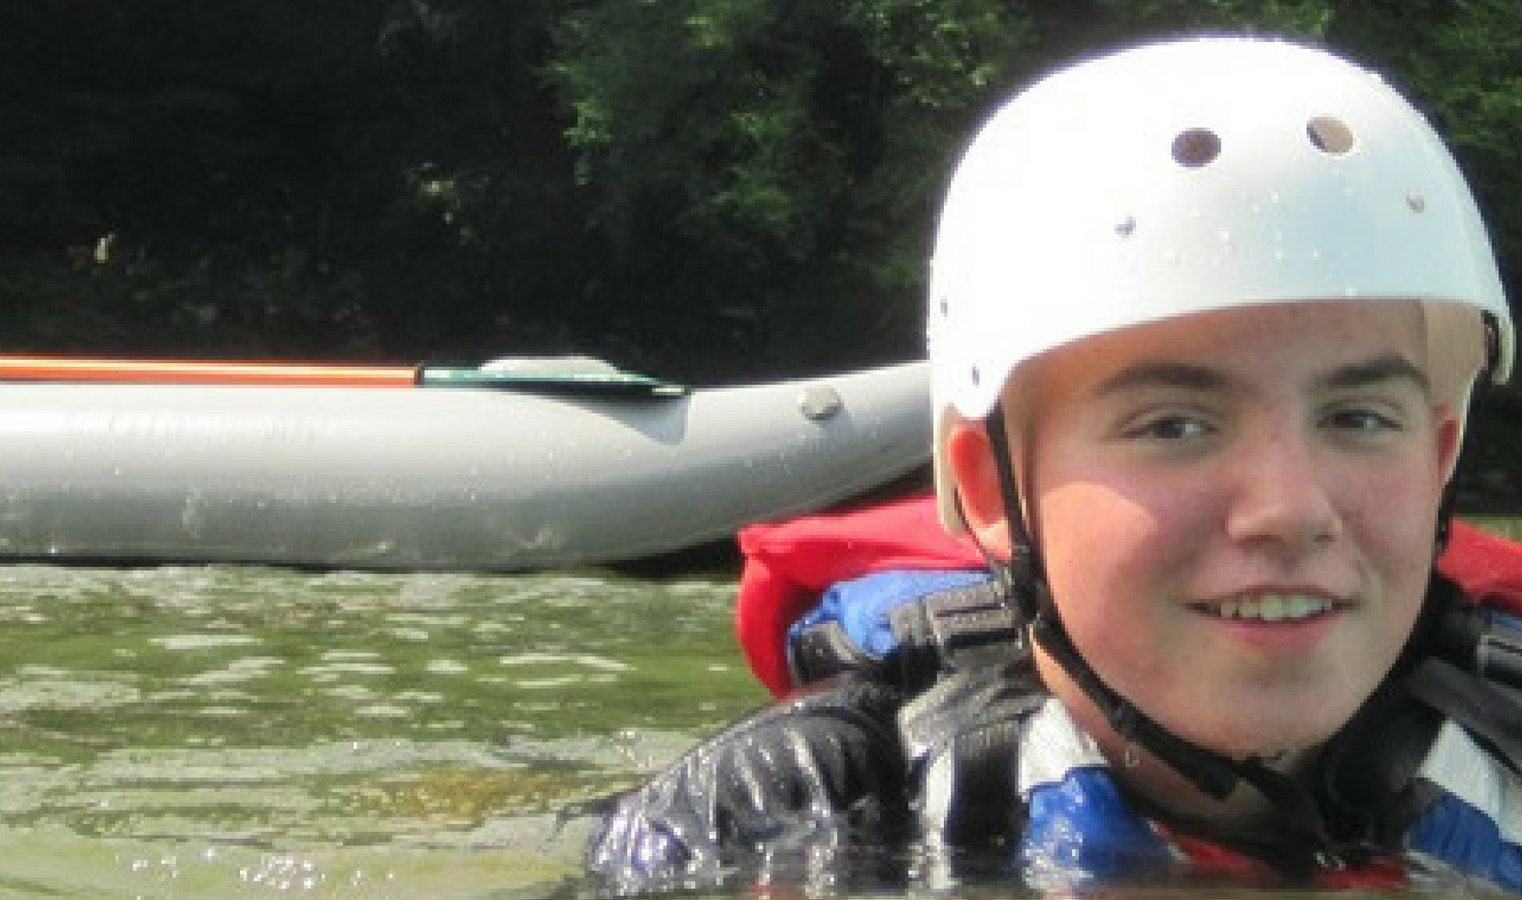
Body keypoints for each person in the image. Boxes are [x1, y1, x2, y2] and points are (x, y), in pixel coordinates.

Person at [586, 36, 1522, 895]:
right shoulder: (769, 821)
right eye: (1174, 426)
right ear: (992, 491)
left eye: (1358, 417)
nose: (1288, 508)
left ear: (1438, 460)